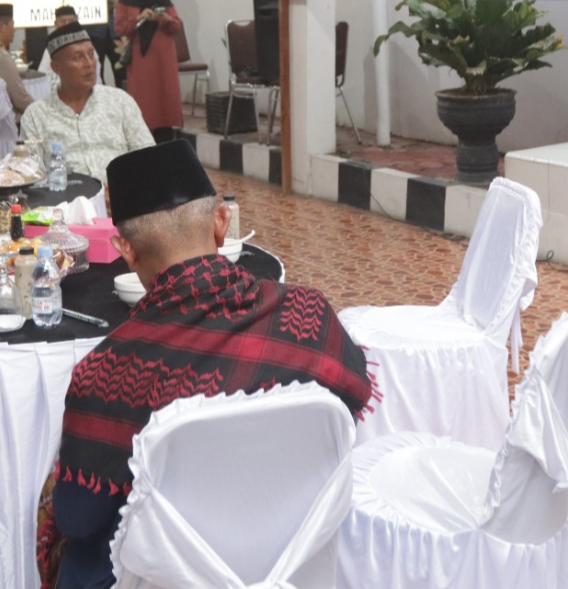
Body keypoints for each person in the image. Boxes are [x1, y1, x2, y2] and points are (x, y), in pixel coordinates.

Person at [47, 140, 374, 588]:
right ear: (221, 224)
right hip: (290, 554)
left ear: (126, 249)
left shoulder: (107, 370)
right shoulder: (310, 317)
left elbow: (77, 517)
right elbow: (350, 410)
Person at [20, 23, 153, 180]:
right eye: (78, 57)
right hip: (65, 194)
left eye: (91, 55)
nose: (89, 64)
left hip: (122, 192)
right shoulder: (35, 116)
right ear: (56, 67)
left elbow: (148, 157)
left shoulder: (120, 102)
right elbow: (31, 176)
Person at [114, 0, 184, 142]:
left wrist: (166, 18)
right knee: (144, 99)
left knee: (165, 98)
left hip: (164, 56)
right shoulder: (126, 2)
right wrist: (139, 17)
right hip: (141, 58)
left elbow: (176, 25)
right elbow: (120, 28)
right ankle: (143, 141)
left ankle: (166, 141)